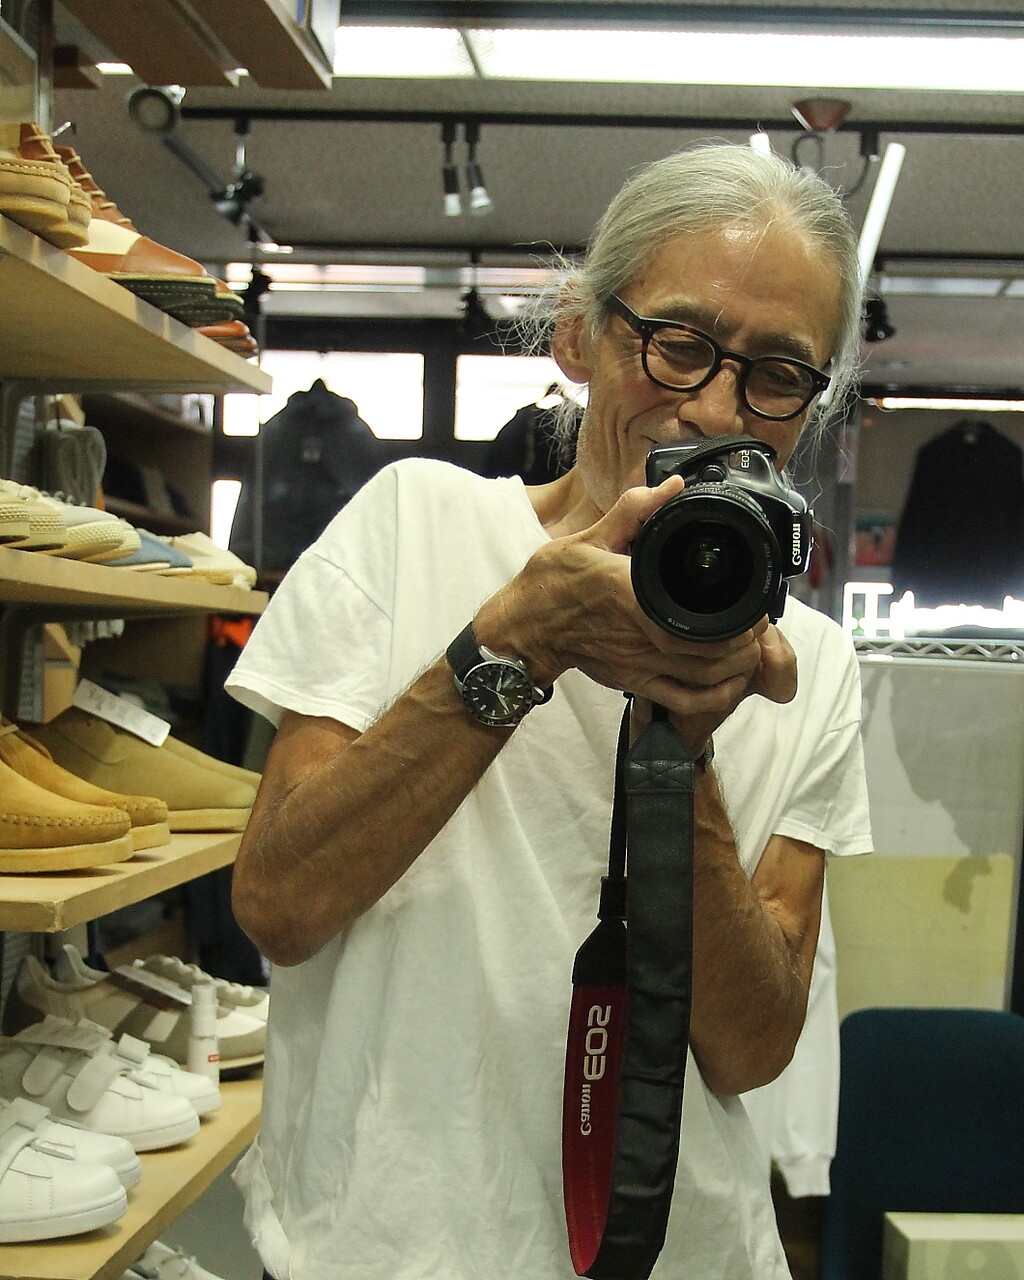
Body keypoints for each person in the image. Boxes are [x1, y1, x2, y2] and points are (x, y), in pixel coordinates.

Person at [226, 142, 873, 1280]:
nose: (714, 405)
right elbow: (280, 903)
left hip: (680, 1251)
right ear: (579, 336)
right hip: (386, 1247)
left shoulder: (805, 661)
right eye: (677, 342)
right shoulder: (414, 524)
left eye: (777, 373)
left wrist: (679, 740)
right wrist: (516, 641)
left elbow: (752, 1048)